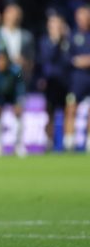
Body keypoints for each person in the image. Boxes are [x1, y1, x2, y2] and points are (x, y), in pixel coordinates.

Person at [37, 14, 71, 149]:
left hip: (65, 82)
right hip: (51, 82)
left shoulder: (68, 41)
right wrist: (57, 42)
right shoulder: (44, 42)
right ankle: (49, 141)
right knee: (49, 113)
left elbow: (69, 60)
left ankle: (66, 141)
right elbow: (46, 58)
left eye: (57, 24)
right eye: (52, 24)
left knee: (66, 112)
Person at [64, 5, 90, 151]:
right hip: (77, 80)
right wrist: (77, 61)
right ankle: (69, 141)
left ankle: (89, 141)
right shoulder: (72, 36)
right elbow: (68, 58)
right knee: (71, 108)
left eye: (85, 17)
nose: (83, 20)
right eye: (80, 17)